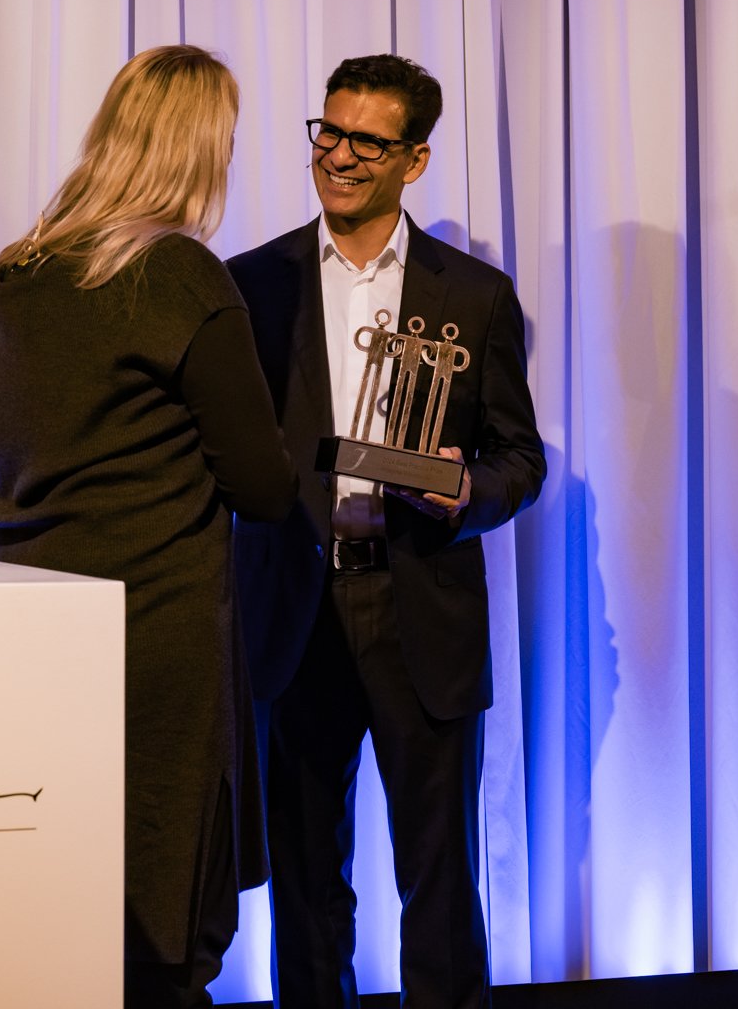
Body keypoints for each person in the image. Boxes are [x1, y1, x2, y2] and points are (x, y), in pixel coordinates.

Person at [0, 45, 297, 1007]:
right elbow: (264, 488)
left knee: (61, 922)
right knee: (164, 939)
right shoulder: (181, 276)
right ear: (198, 149)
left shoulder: (14, 281)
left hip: (35, 630)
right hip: (159, 641)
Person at [227, 54, 546, 1007]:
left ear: (415, 159)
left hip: (421, 605)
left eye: (368, 141)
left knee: (440, 879)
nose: (339, 156)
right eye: (329, 132)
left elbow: (519, 459)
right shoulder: (251, 284)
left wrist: (467, 490)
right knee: (303, 880)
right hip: (292, 612)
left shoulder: (474, 296)